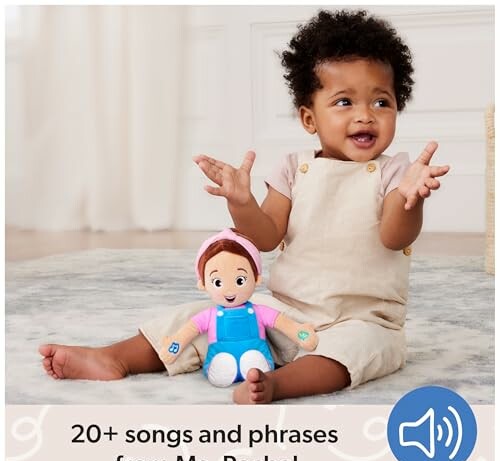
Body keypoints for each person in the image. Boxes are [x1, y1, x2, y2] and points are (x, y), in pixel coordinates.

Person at [39, 9, 449, 404]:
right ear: (309, 118)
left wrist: (413, 199)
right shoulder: (294, 169)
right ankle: (116, 356)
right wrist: (243, 202)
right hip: (284, 314)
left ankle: (276, 384)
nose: (365, 115)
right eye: (345, 102)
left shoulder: (395, 173)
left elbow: (395, 236)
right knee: (202, 318)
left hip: (361, 320)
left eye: (382, 102)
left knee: (359, 350)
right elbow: (265, 236)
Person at [159, 228, 318, 387]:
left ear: (256, 278)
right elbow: (188, 331)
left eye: (240, 280)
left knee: (254, 360)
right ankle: (226, 366)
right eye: (218, 283)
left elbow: (282, 322)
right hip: (221, 357)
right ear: (203, 284)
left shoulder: (259, 311)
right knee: (223, 363)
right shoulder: (209, 315)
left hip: (256, 358)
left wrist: (300, 333)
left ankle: (253, 368)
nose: (229, 290)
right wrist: (174, 346)